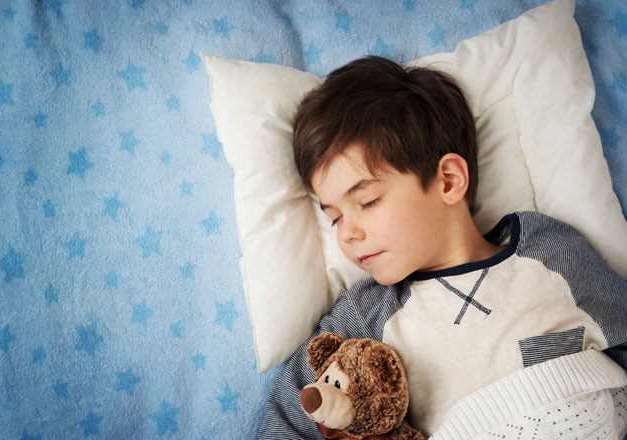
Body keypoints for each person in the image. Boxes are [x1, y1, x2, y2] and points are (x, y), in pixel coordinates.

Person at [256, 56, 627, 438]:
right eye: (334, 217)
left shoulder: (547, 253)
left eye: (366, 202)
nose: (346, 234)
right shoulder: (369, 314)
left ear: (448, 181)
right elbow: (291, 416)